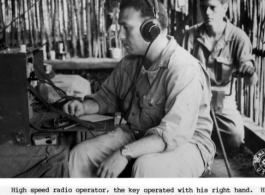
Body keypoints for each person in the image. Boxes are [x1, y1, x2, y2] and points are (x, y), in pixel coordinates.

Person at [63, 0, 215, 178]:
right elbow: (108, 97)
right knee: (81, 154)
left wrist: (123, 153)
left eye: (126, 27)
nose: (119, 35)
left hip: (187, 143)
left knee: (147, 168)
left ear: (151, 29)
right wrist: (84, 107)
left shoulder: (183, 68)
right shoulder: (130, 63)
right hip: (139, 134)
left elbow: (172, 135)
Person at [181, 0, 258, 152]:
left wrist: (248, 70)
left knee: (235, 136)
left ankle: (211, 149)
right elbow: (177, 69)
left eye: (212, 7)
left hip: (222, 97)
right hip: (194, 95)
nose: (207, 12)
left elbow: (251, 81)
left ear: (224, 8)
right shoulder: (190, 35)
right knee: (180, 132)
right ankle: (199, 153)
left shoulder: (238, 37)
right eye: (203, 8)